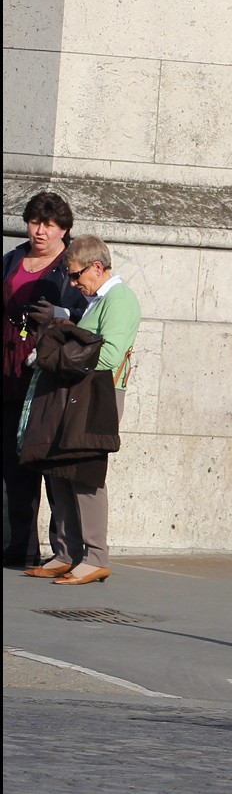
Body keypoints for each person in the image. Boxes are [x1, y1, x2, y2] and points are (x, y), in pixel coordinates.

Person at [23, 235, 140, 585]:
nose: (74, 284)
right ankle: (67, 552)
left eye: (76, 276)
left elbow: (108, 355)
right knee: (60, 468)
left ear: (98, 267)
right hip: (76, 391)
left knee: (86, 473)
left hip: (98, 394)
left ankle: (94, 556)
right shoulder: (96, 300)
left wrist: (55, 355)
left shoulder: (119, 299)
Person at [3, 191, 88, 568]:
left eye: (49, 225)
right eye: (35, 222)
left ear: (63, 229)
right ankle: (22, 546)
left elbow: (89, 312)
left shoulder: (72, 265)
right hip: (9, 372)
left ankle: (65, 550)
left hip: (48, 375)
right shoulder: (11, 260)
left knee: (53, 467)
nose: (40, 231)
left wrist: (60, 312)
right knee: (13, 466)